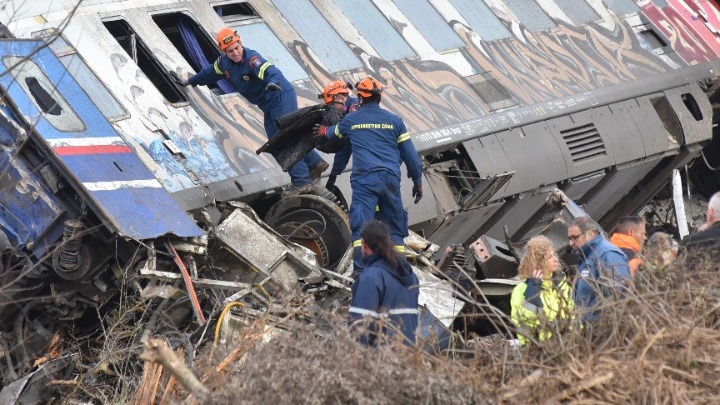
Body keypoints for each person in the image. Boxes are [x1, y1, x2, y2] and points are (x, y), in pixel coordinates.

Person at [175, 27, 327, 193]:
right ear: (223, 51)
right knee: (274, 139)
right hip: (268, 104)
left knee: (283, 139)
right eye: (230, 51)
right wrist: (190, 81)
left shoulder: (252, 59)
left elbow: (271, 71)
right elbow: (209, 73)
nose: (235, 53)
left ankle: (302, 180)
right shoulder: (223, 64)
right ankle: (314, 163)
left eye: (237, 48)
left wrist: (273, 81)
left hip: (279, 95)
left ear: (241, 44)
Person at [313, 76, 423, 270]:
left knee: (361, 227)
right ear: (379, 98)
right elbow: (411, 155)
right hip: (390, 179)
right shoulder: (395, 121)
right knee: (396, 228)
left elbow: (335, 137)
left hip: (365, 181)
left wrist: (323, 131)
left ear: (361, 99)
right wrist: (417, 181)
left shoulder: (351, 120)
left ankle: (362, 272)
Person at [348, 220, 419, 346]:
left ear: (363, 244)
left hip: (381, 358)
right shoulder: (411, 276)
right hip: (408, 356)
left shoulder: (371, 278)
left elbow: (359, 326)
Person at [510, 236, 573, 345]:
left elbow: (573, 312)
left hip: (567, 343)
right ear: (539, 262)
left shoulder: (561, 284)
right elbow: (530, 318)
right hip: (537, 349)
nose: (555, 259)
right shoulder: (522, 290)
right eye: (549, 257)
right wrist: (534, 288)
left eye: (554, 255)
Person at [567, 217, 631, 323]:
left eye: (574, 237)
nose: (570, 243)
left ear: (590, 234)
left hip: (604, 330)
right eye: (569, 238)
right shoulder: (587, 257)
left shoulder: (608, 255)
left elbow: (619, 298)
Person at [313, 80, 359, 191]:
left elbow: (347, 131)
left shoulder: (355, 108)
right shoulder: (346, 109)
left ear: (341, 98)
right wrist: (333, 176)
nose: (332, 109)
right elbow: (344, 148)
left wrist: (327, 131)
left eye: (332, 105)